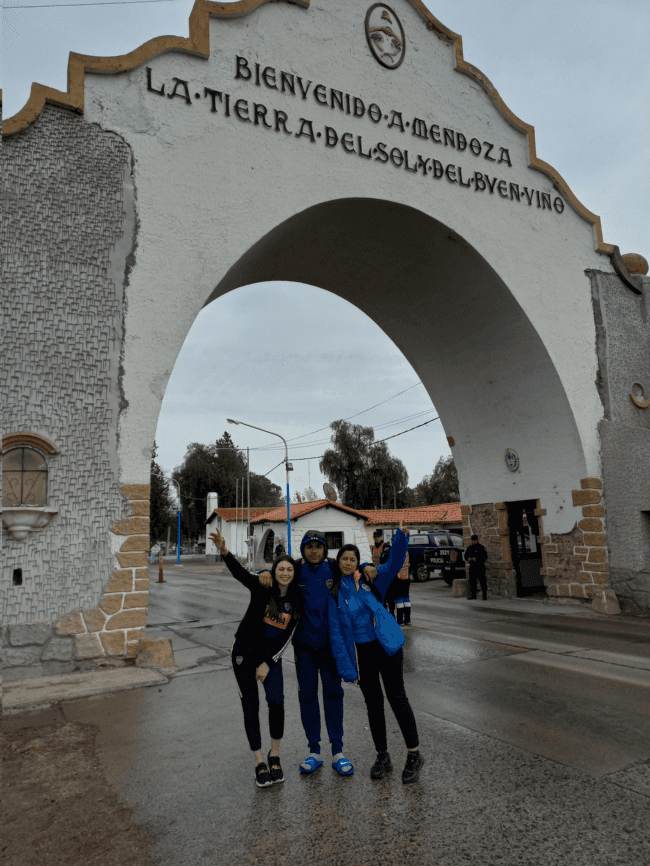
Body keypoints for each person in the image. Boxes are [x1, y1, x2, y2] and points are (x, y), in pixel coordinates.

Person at [260, 529, 377, 777]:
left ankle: (338, 751)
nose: (314, 551)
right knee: (308, 698)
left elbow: (351, 564)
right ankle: (314, 751)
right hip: (304, 648)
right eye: (309, 546)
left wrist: (365, 564)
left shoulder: (333, 567)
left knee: (334, 695)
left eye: (319, 546)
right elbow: (278, 570)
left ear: (325, 550)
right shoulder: (296, 568)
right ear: (303, 549)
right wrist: (264, 573)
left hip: (331, 648)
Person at [327, 525, 425, 784]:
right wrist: (347, 669)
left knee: (396, 697)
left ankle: (414, 754)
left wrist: (401, 537)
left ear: (359, 563)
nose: (348, 563)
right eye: (344, 559)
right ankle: (383, 756)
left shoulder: (372, 578)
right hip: (362, 653)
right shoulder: (336, 593)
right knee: (373, 703)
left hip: (387, 646)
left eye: (353, 559)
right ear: (338, 563)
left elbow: (394, 562)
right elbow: (336, 635)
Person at [209, 528, 300, 788]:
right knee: (251, 706)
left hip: (270, 658)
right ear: (274, 570)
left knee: (277, 702)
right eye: (280, 568)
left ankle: (275, 755)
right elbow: (239, 573)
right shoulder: (262, 586)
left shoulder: (296, 600)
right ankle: (259, 761)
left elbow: (287, 636)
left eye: (289, 570)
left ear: (294, 574)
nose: (284, 573)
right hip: (244, 655)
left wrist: (269, 662)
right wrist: (225, 551)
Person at [464, 534, 488, 600]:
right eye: (472, 540)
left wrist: (477, 559)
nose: (473, 542)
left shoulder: (481, 548)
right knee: (472, 582)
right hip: (472, 567)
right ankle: (473, 595)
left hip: (480, 567)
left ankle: (484, 595)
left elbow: (485, 557)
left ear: (477, 540)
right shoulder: (469, 548)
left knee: (482, 581)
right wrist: (468, 558)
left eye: (474, 540)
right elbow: (466, 556)